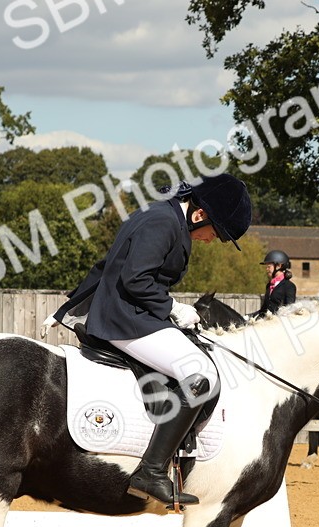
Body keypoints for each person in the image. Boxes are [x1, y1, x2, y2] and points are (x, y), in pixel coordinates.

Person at [48, 174, 252, 507]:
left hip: (132, 315)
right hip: (126, 319)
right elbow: (134, 278)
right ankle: (152, 471)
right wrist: (173, 308)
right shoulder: (163, 223)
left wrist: (70, 305)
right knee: (200, 374)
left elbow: (106, 265)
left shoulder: (161, 215)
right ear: (200, 215)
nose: (210, 241)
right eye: (215, 234)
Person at [253, 249, 297, 317]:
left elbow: (289, 310)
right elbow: (264, 310)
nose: (267, 269)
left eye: (269, 266)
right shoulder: (269, 285)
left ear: (278, 266)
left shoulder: (289, 286)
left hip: (279, 323)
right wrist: (249, 316)